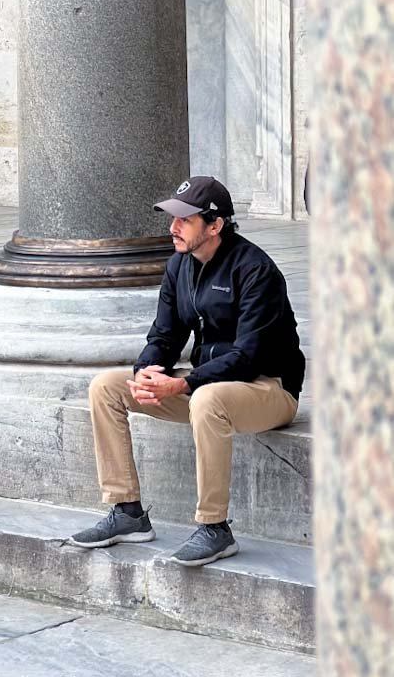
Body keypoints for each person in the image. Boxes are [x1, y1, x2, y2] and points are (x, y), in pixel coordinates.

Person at [69, 176, 306, 566]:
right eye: (172, 218)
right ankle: (127, 512)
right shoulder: (179, 266)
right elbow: (164, 335)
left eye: (185, 220)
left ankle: (215, 528)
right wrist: (147, 372)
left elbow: (248, 357)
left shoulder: (255, 270)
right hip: (204, 387)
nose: (173, 227)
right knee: (107, 386)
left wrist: (184, 382)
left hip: (269, 390)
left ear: (215, 225)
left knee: (209, 399)